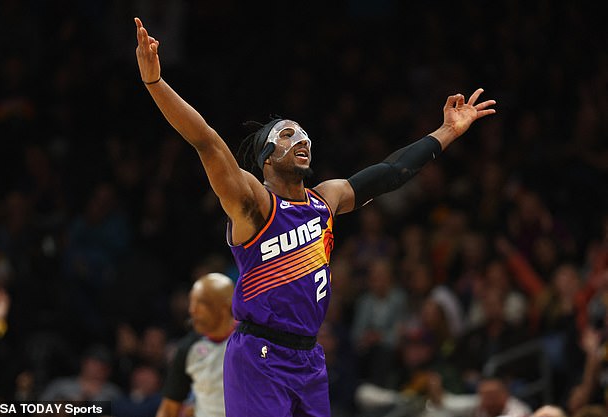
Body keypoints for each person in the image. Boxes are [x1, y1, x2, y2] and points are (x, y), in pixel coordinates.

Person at [134, 16, 496, 417]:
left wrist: (447, 130)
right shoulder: (254, 202)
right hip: (259, 354)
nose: (302, 138)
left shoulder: (327, 199)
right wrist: (155, 83)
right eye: (288, 134)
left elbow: (392, 173)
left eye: (304, 134)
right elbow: (205, 139)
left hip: (308, 357)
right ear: (267, 157)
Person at [156, 273, 235, 417]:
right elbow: (168, 409)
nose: (192, 310)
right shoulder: (188, 348)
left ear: (225, 307)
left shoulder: (251, 342)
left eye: (202, 303)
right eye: (192, 302)